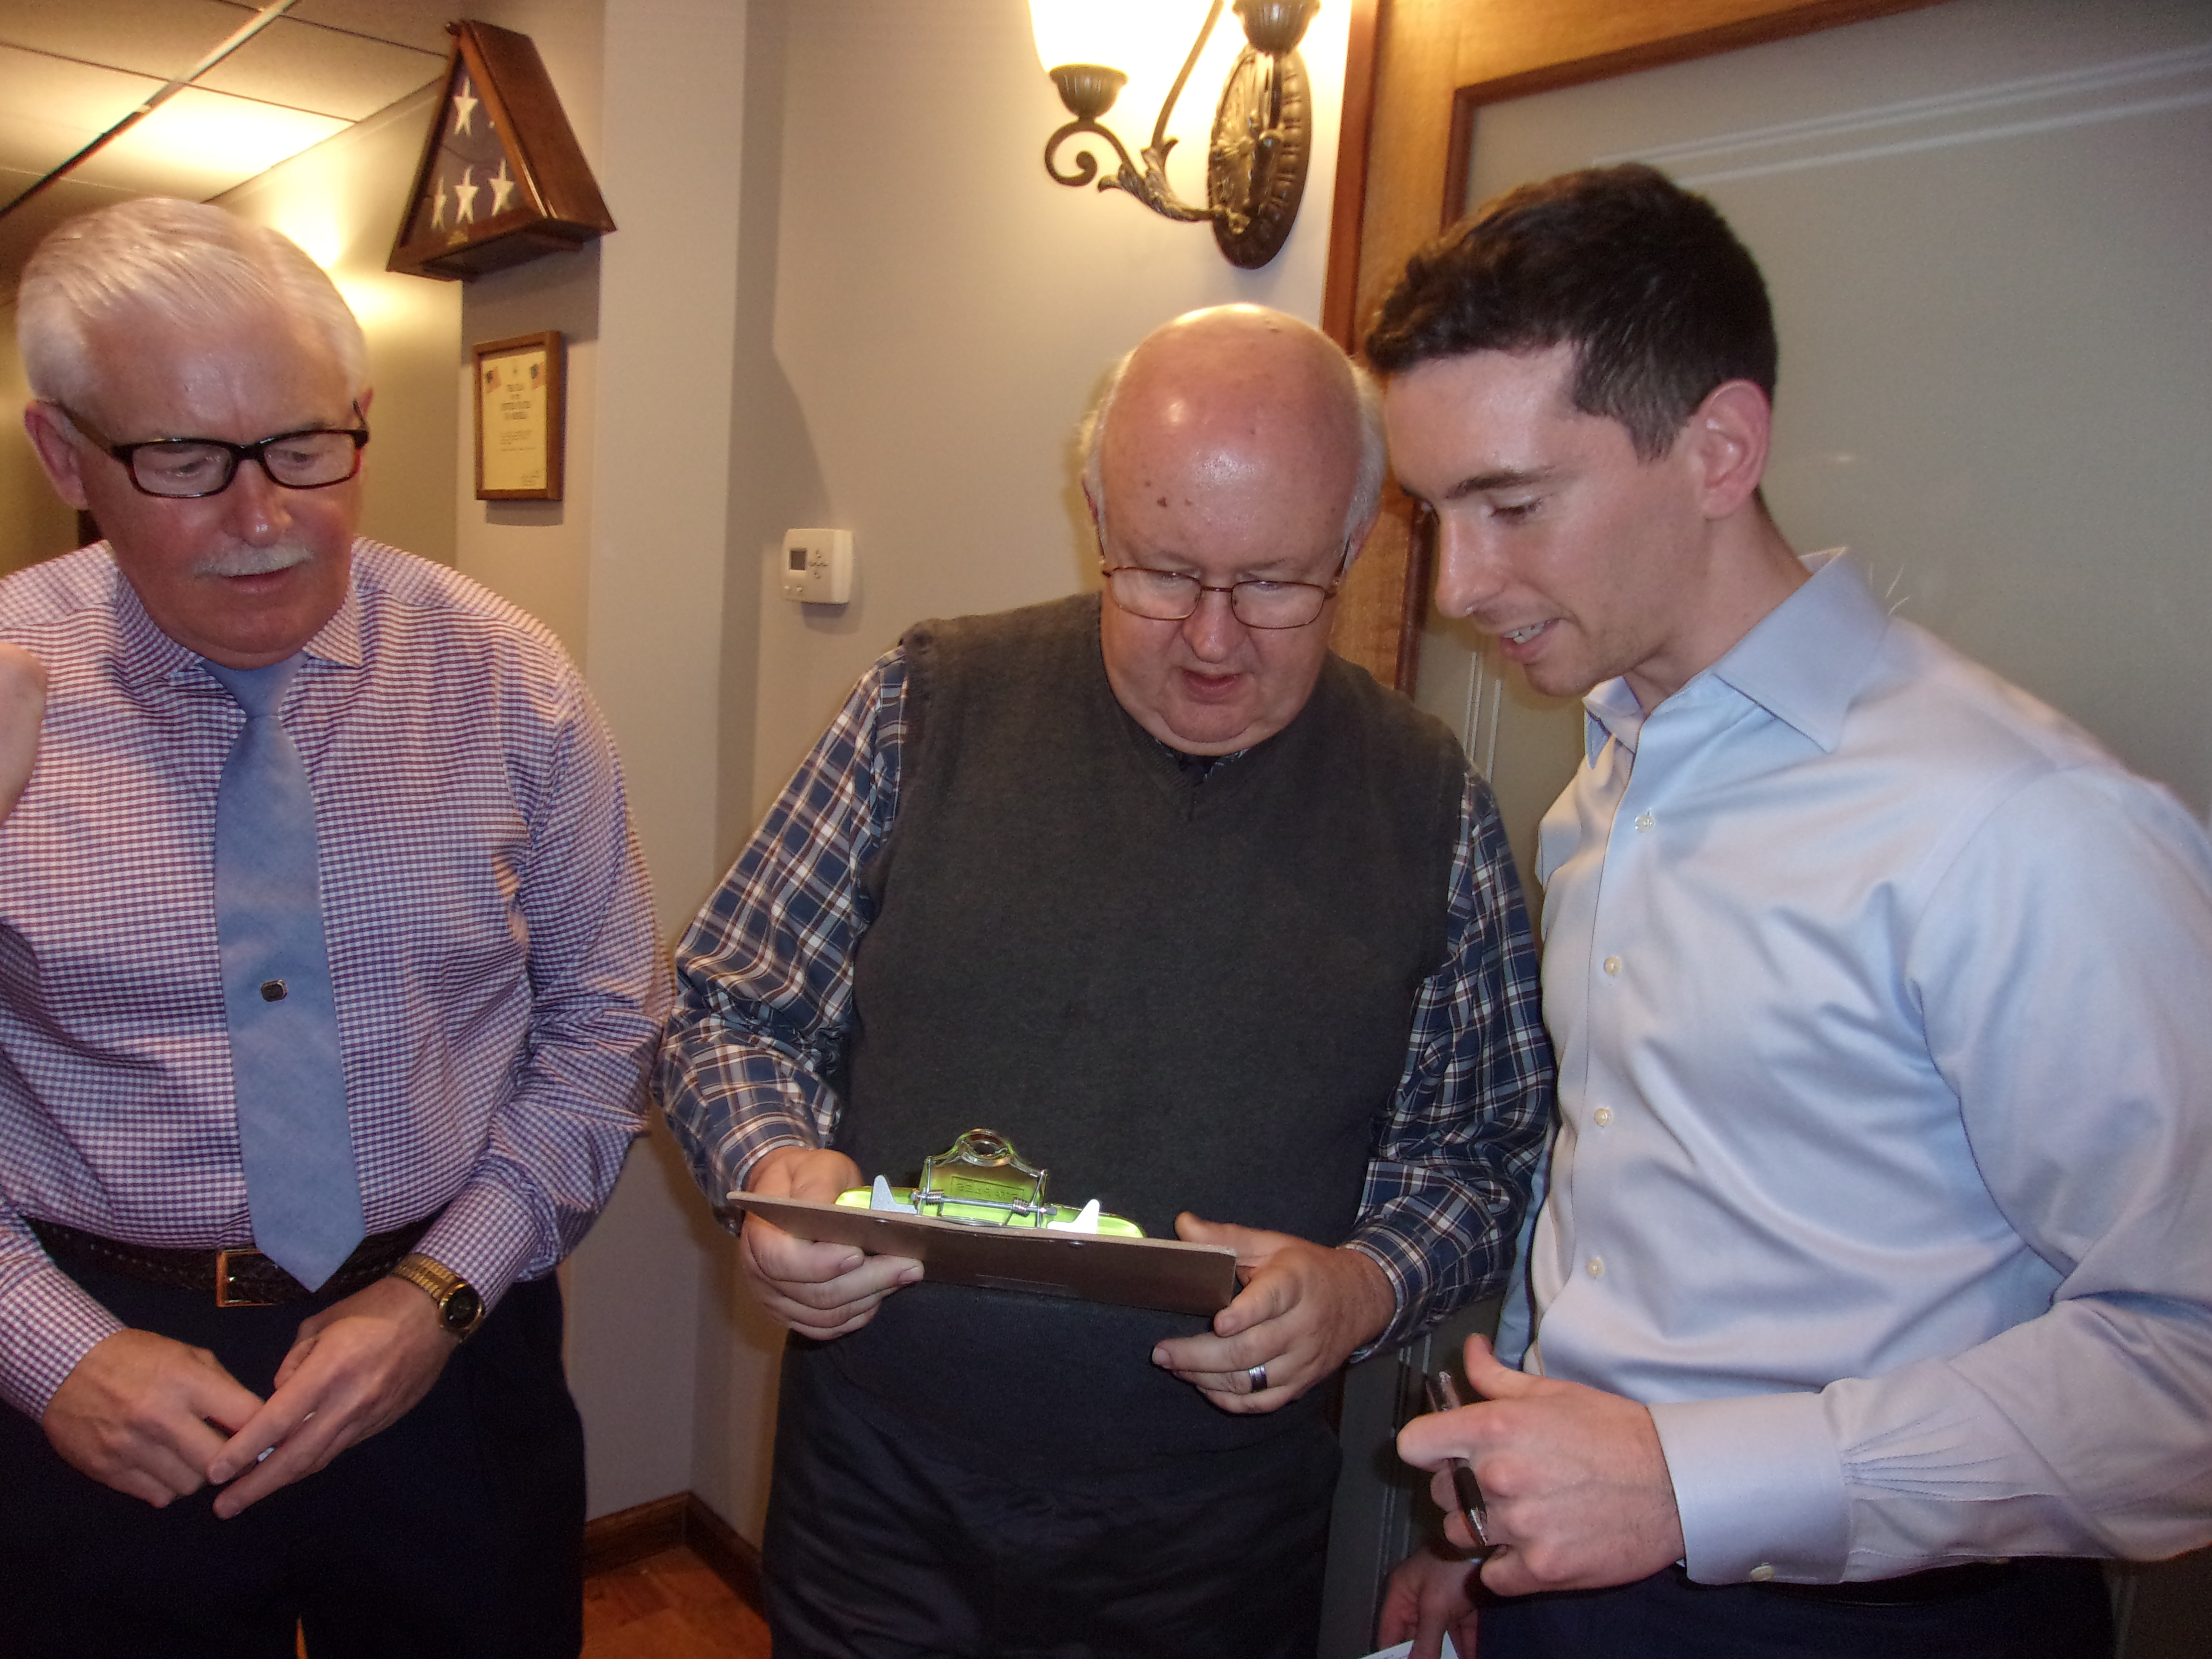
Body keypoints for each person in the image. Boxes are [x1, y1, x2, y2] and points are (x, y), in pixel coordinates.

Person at [1367, 164, 2212, 1659]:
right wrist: (1487, 1528)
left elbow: (2190, 1371)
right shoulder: (1602, 792)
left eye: (1512, 504)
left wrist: (1690, 1487)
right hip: (1570, 1581)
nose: (1456, 586)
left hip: (1892, 1622)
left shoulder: (2022, 824)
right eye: (1434, 514)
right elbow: (1612, 1191)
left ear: (1720, 449)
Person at [659, 303, 1554, 1658]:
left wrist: (1369, 1285)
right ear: (1094, 519)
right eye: (1161, 574)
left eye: (1275, 586)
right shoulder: (928, 702)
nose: (1212, 639)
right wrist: (773, 1165)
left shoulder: (1430, 805)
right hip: (881, 1490)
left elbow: (1483, 1153)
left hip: (1210, 1536)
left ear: (1353, 550)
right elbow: (732, 1002)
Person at [0, 198, 663, 1658]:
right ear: (65, 456)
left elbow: (608, 1023)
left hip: (452, 1342)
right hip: (96, 1365)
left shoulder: (507, 677)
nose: (264, 519)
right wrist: (43, 1345)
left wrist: (440, 1294)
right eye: (185, 460)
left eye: (307, 446)